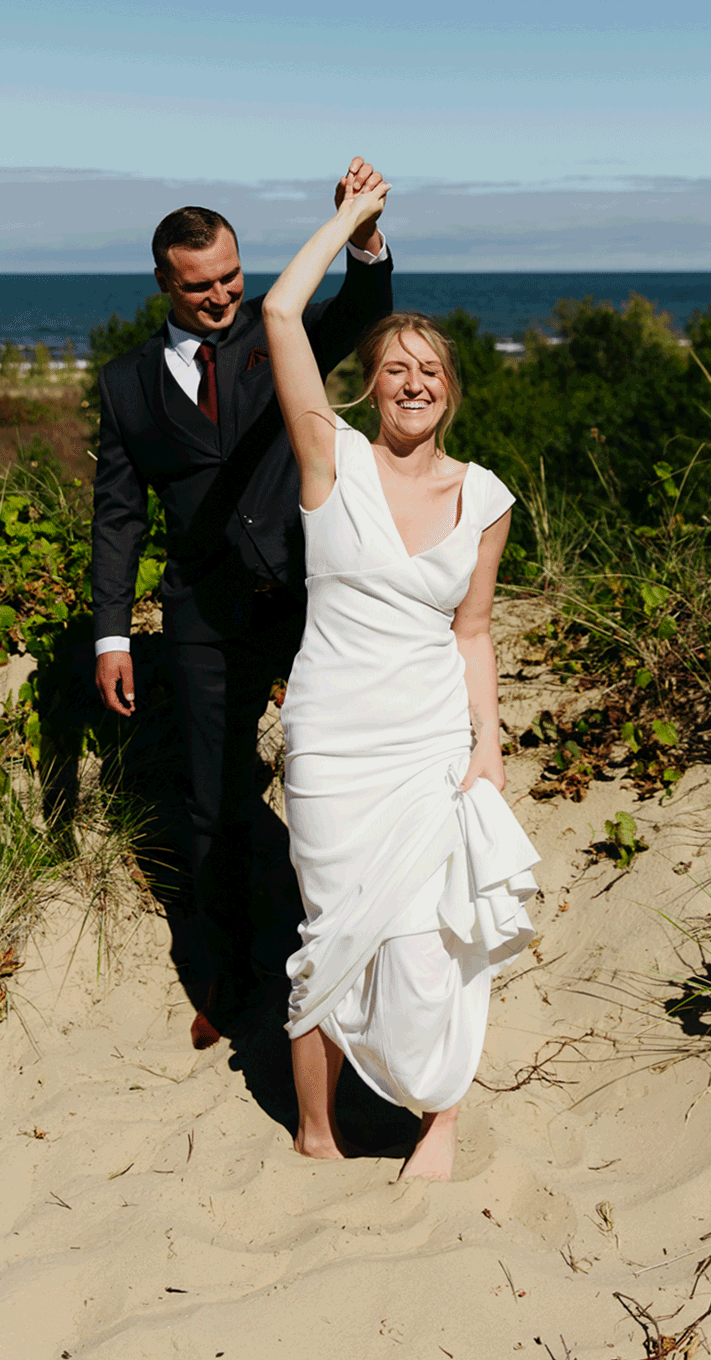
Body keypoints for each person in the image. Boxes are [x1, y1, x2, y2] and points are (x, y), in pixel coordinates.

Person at [262, 178, 539, 1181]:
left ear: (449, 388)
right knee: (330, 931)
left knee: (432, 939)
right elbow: (279, 312)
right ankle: (318, 1129)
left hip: (428, 744)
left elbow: (473, 632)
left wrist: (489, 753)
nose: (413, 380)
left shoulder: (486, 497)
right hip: (331, 741)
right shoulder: (325, 460)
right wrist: (354, 229)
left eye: (429, 369)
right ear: (368, 387)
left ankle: (439, 1125)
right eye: (394, 367)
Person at [91, 161, 394, 1046]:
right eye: (200, 285)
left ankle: (352, 953)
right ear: (164, 284)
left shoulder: (279, 333)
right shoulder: (123, 384)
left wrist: (362, 235)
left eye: (231, 276)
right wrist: (112, 634)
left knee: (335, 784)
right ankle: (228, 981)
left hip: (314, 602)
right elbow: (117, 516)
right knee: (212, 804)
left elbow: (362, 311)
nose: (221, 295)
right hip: (202, 616)